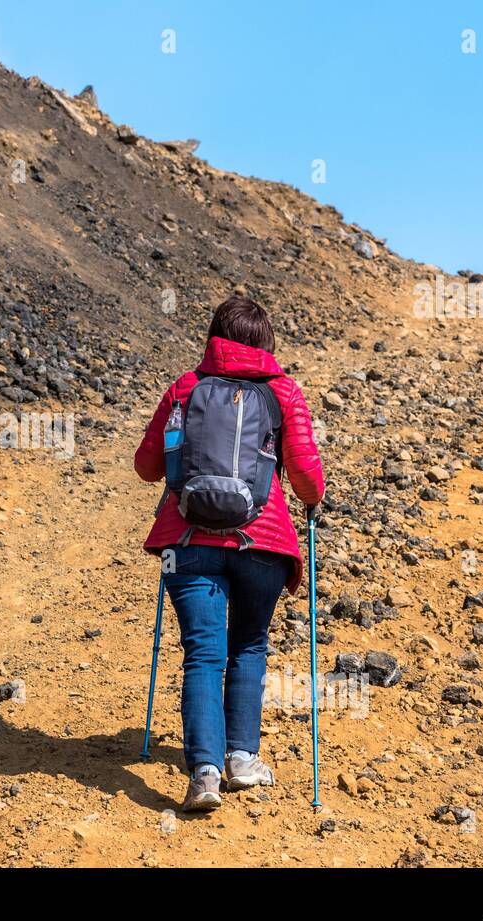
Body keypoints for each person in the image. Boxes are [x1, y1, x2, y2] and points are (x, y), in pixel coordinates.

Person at [134, 294, 325, 811]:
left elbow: (148, 467)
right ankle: (242, 758)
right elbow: (306, 474)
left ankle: (205, 773)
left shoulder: (185, 387)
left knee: (202, 651)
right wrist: (312, 499)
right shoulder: (284, 392)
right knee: (248, 645)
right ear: (266, 344)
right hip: (264, 542)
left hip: (187, 541)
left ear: (214, 337)